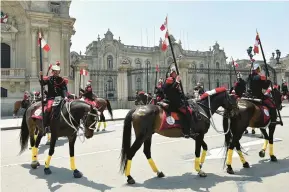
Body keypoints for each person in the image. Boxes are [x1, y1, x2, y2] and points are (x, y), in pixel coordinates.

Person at [162, 66, 198, 139]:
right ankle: (187, 131)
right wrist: (177, 82)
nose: (177, 74)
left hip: (176, 101)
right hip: (173, 102)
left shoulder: (173, 80)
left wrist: (188, 97)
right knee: (188, 112)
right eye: (176, 73)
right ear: (173, 73)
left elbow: (178, 93)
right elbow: (170, 91)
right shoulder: (170, 80)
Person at [39, 61, 68, 129]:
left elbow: (64, 89)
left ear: (59, 72)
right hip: (51, 98)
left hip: (59, 97)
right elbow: (42, 84)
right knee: (48, 108)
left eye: (57, 71)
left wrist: (65, 96)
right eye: (54, 71)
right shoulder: (49, 79)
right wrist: (41, 76)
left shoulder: (61, 80)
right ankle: (46, 124)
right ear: (52, 71)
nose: (56, 72)